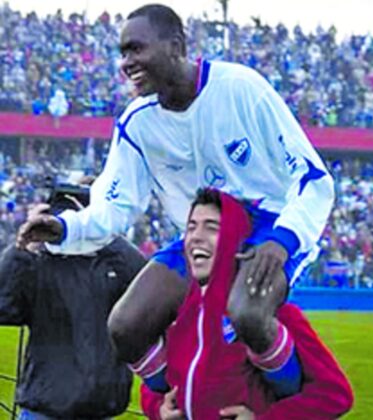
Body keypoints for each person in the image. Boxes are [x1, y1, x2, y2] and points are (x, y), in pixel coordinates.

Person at [17, 4, 335, 366]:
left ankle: (297, 391)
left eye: (136, 49)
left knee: (246, 315)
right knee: (126, 326)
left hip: (268, 226)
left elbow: (313, 178)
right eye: (123, 53)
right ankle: (175, 395)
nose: (126, 63)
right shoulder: (137, 123)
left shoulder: (242, 88)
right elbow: (115, 205)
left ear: (176, 46)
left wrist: (283, 240)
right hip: (200, 235)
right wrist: (64, 229)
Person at [138, 188, 353, 419]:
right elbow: (156, 385)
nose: (196, 237)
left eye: (212, 228)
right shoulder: (180, 314)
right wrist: (158, 408)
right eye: (191, 227)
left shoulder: (273, 314)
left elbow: (335, 393)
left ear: (235, 241)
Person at [0, 183, 147, 419]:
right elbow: (4, 308)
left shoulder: (114, 263)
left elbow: (147, 287)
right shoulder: (38, 264)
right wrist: (22, 246)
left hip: (99, 409)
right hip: (46, 410)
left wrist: (103, 232)